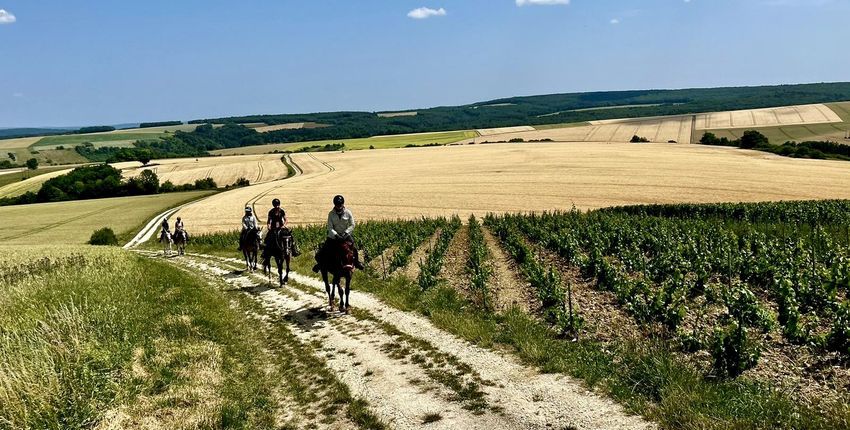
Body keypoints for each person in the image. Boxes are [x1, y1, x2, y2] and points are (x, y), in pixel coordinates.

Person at [314, 195, 364, 272]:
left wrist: (346, 233)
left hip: (345, 235)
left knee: (353, 248)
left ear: (343, 204)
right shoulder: (331, 214)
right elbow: (330, 227)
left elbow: (352, 225)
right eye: (337, 205)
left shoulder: (348, 212)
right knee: (324, 249)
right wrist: (336, 235)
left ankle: (357, 263)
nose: (339, 207)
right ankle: (320, 264)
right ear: (335, 205)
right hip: (333, 237)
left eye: (340, 205)